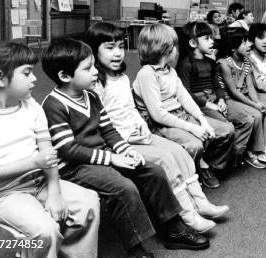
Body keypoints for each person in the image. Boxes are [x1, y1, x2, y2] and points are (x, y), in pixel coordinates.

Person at [41, 38, 209, 257]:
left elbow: (109, 130)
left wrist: (125, 150)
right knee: (123, 187)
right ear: (65, 76)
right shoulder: (54, 104)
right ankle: (136, 249)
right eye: (87, 68)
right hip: (75, 166)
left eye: (93, 65)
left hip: (101, 156)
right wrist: (112, 159)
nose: (95, 72)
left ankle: (173, 229)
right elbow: (68, 150)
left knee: (152, 171)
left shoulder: (90, 96)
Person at [86, 22, 229, 234]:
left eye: (120, 47)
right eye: (109, 48)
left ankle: (200, 203)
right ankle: (188, 215)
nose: (117, 53)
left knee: (180, 153)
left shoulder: (123, 78)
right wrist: (130, 135)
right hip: (119, 141)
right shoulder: (96, 83)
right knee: (166, 160)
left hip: (138, 133)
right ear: (94, 51)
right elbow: (102, 123)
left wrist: (141, 125)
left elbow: (130, 108)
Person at [0, 41, 100, 258]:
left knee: (88, 202)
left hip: (39, 181)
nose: (35, 79)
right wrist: (33, 163)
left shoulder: (31, 106)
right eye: (26, 73)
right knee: (46, 231)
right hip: (0, 194)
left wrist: (54, 191)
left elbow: (48, 154)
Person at [132, 24, 234, 189]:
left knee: (225, 131)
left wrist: (203, 121)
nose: (177, 50)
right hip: (163, 124)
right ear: (164, 49)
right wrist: (193, 128)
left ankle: (205, 165)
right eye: (174, 46)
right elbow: (158, 115)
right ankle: (194, 171)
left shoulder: (170, 71)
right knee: (196, 145)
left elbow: (186, 99)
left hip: (181, 115)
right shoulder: (147, 74)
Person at [176, 21, 254, 167]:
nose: (212, 41)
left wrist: (221, 100)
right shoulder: (186, 65)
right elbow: (186, 94)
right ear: (193, 43)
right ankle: (213, 163)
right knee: (226, 126)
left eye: (211, 38)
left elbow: (217, 85)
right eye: (206, 38)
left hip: (214, 100)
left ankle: (232, 156)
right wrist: (208, 105)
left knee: (246, 120)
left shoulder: (211, 63)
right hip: (199, 103)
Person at [217, 28, 266, 168]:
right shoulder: (224, 63)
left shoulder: (246, 61)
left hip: (244, 96)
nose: (249, 44)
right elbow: (233, 92)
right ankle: (255, 151)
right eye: (244, 42)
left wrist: (257, 102)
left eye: (248, 41)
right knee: (257, 114)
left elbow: (250, 87)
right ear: (233, 46)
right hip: (229, 99)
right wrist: (255, 106)